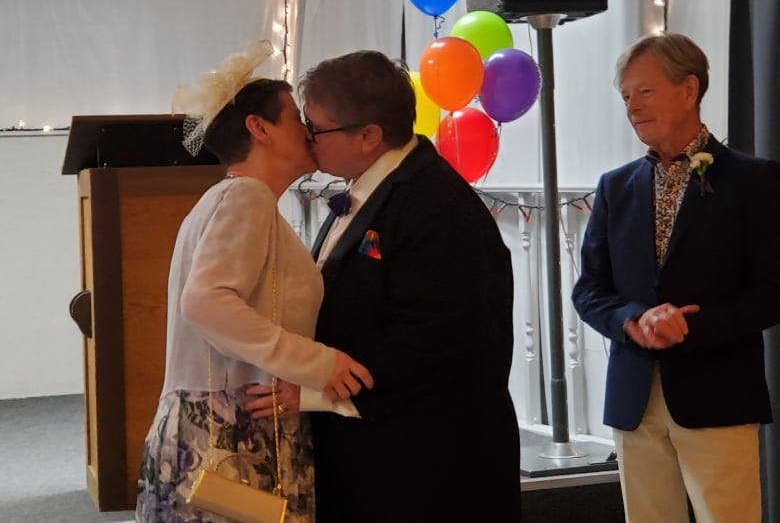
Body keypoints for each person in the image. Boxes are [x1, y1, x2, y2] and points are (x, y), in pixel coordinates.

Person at [257, 49, 522, 523]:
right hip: (380, 460)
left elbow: (435, 342)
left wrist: (316, 390)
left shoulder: (436, 207)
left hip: (428, 469)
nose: (307, 138)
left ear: (368, 136)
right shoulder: (376, 186)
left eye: (316, 128)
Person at [135, 41, 373, 523]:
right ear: (259, 128)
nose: (309, 132)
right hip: (226, 439)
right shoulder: (246, 197)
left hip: (228, 428)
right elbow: (204, 302)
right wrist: (317, 363)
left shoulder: (238, 200)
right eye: (294, 120)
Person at [572, 32, 780, 523]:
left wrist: (691, 325)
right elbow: (588, 290)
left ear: (690, 89)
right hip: (633, 398)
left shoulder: (755, 181)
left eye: (644, 91)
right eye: (625, 96)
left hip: (718, 393)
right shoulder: (615, 187)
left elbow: (773, 292)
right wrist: (632, 320)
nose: (632, 107)